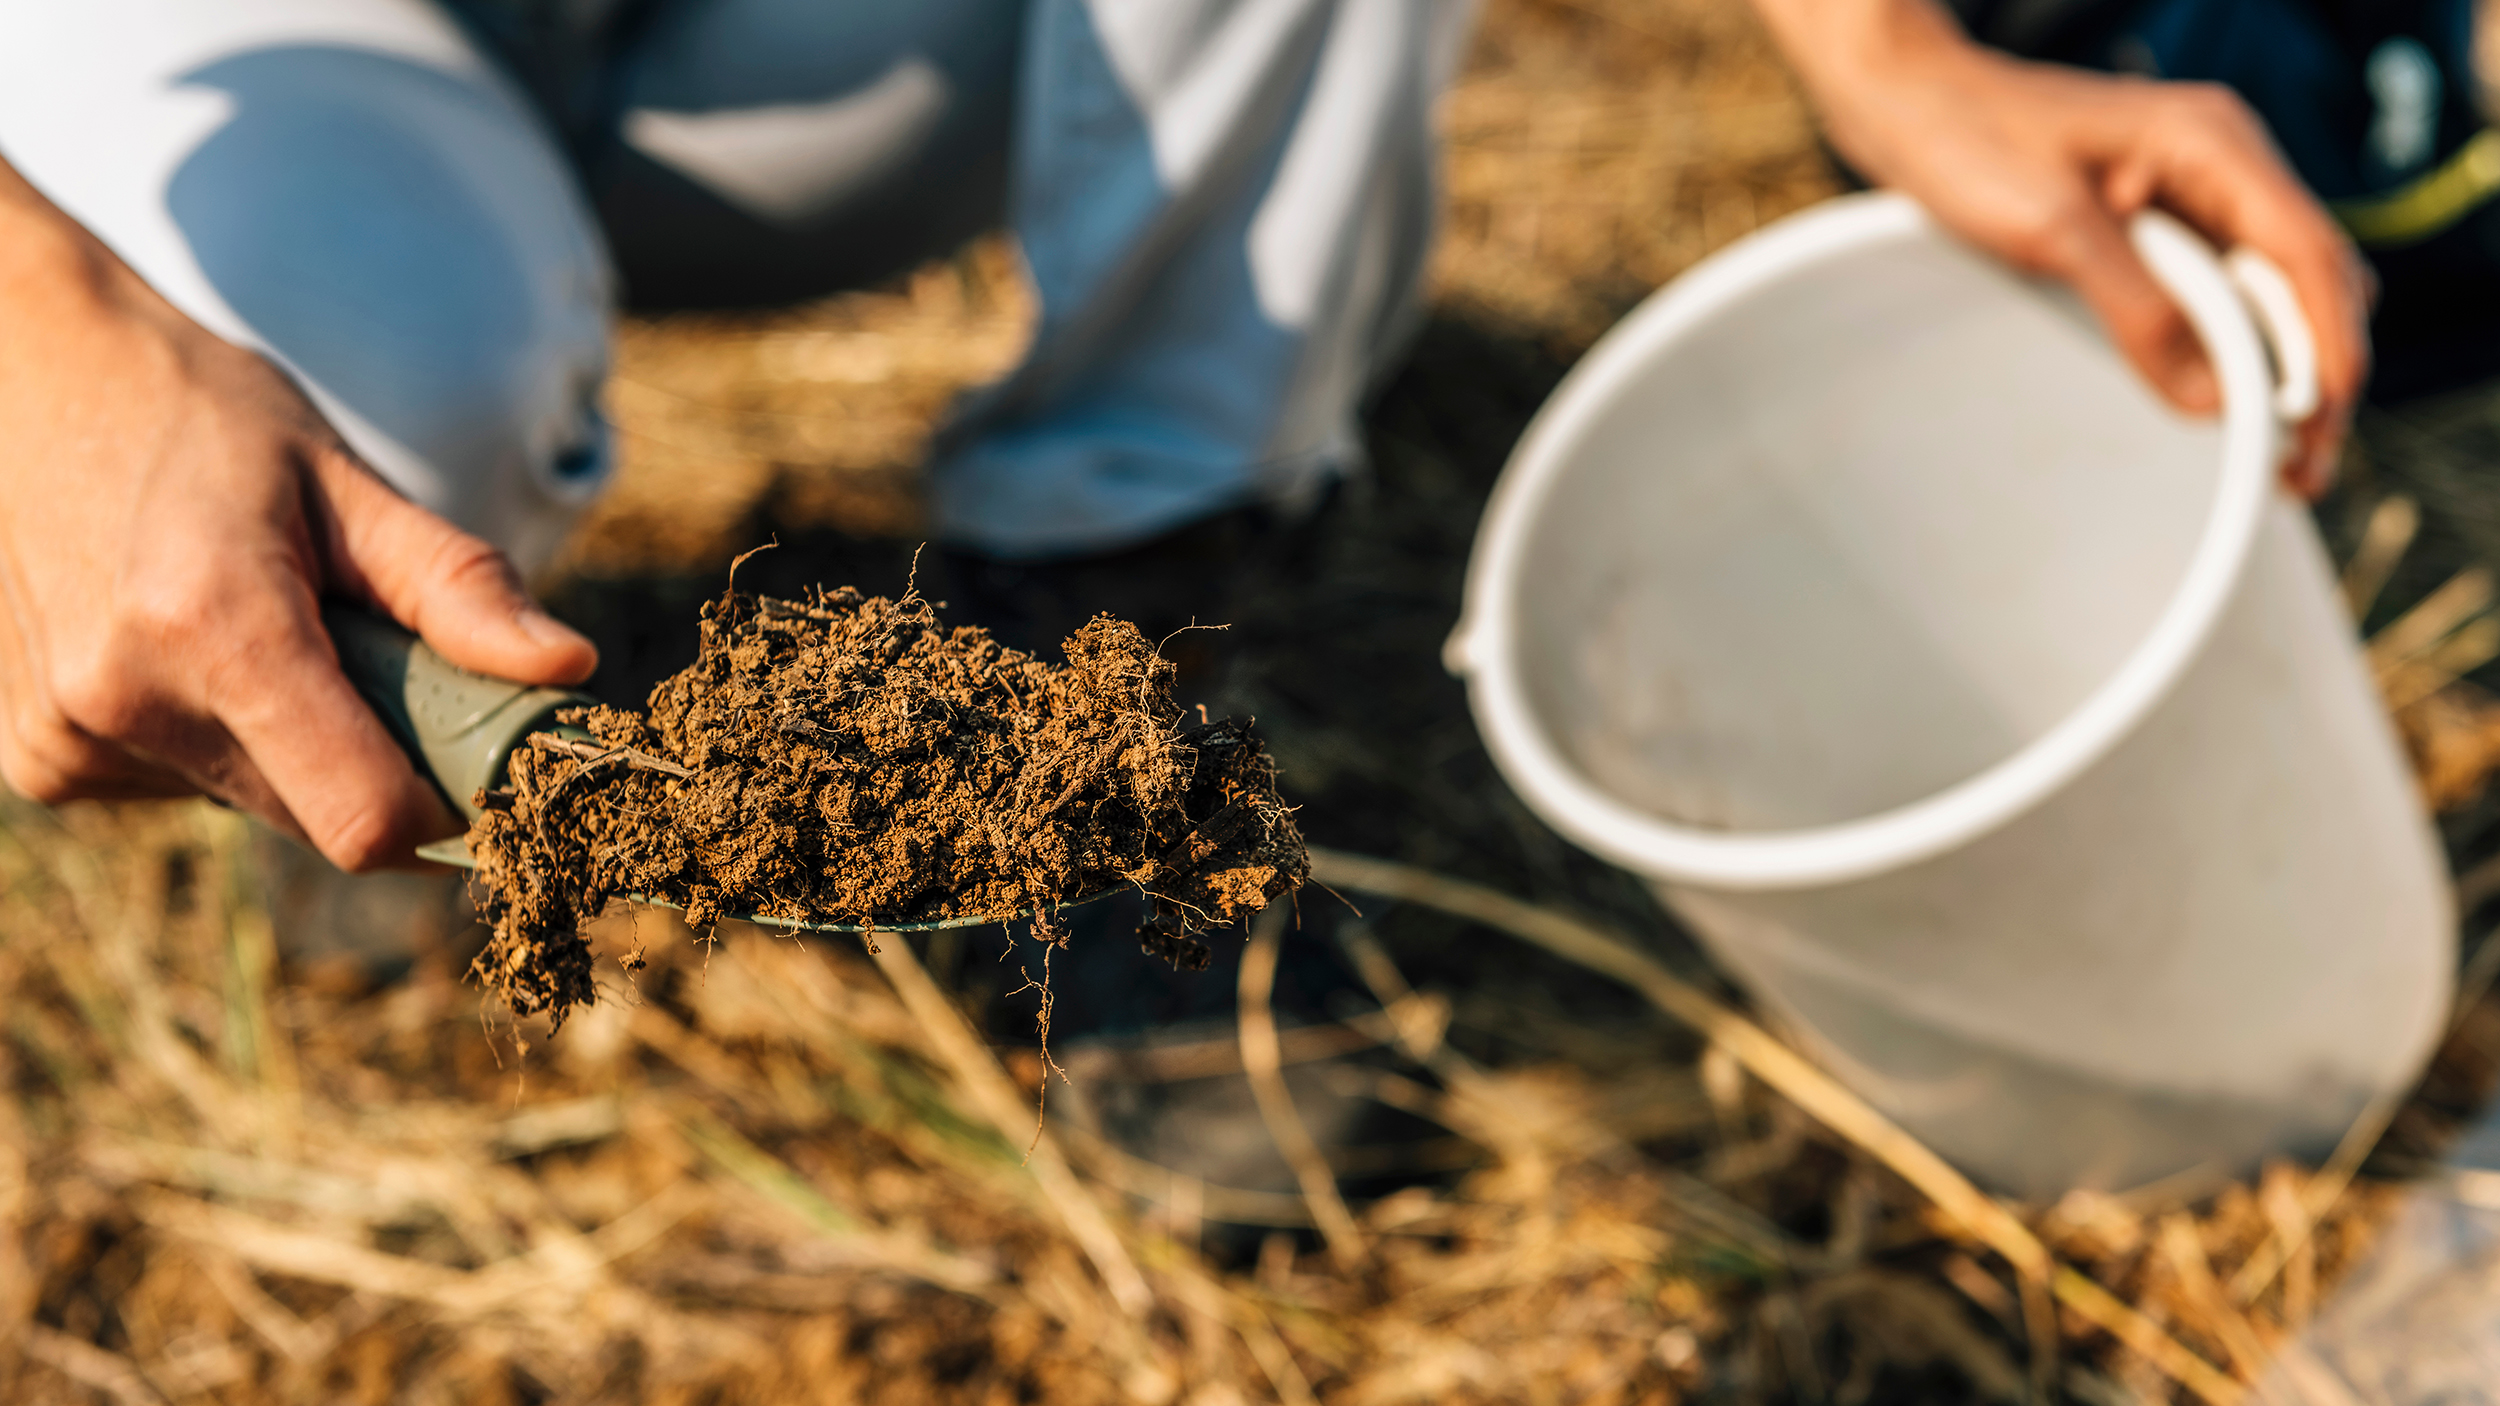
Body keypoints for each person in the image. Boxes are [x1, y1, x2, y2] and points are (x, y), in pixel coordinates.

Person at [0, 0, 2376, 874]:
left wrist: (1878, 50)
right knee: (369, 445)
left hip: (800, 53)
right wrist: (38, 329)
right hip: (226, 62)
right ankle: (369, 790)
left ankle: (1116, 608)